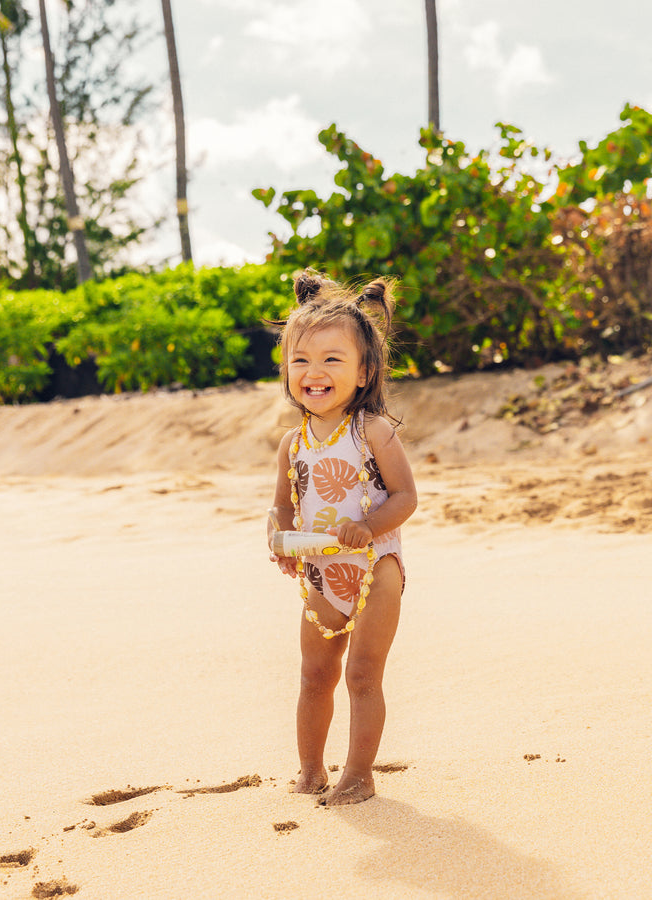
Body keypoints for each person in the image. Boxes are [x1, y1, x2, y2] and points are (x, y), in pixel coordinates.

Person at [268, 269, 417, 806]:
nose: (314, 372)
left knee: (361, 674)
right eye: (301, 360)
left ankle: (359, 772)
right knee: (314, 674)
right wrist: (279, 536)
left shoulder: (372, 430)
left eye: (333, 360)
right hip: (321, 573)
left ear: (364, 370)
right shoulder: (293, 442)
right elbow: (283, 505)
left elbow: (405, 497)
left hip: (376, 568)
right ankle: (310, 770)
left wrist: (368, 527)